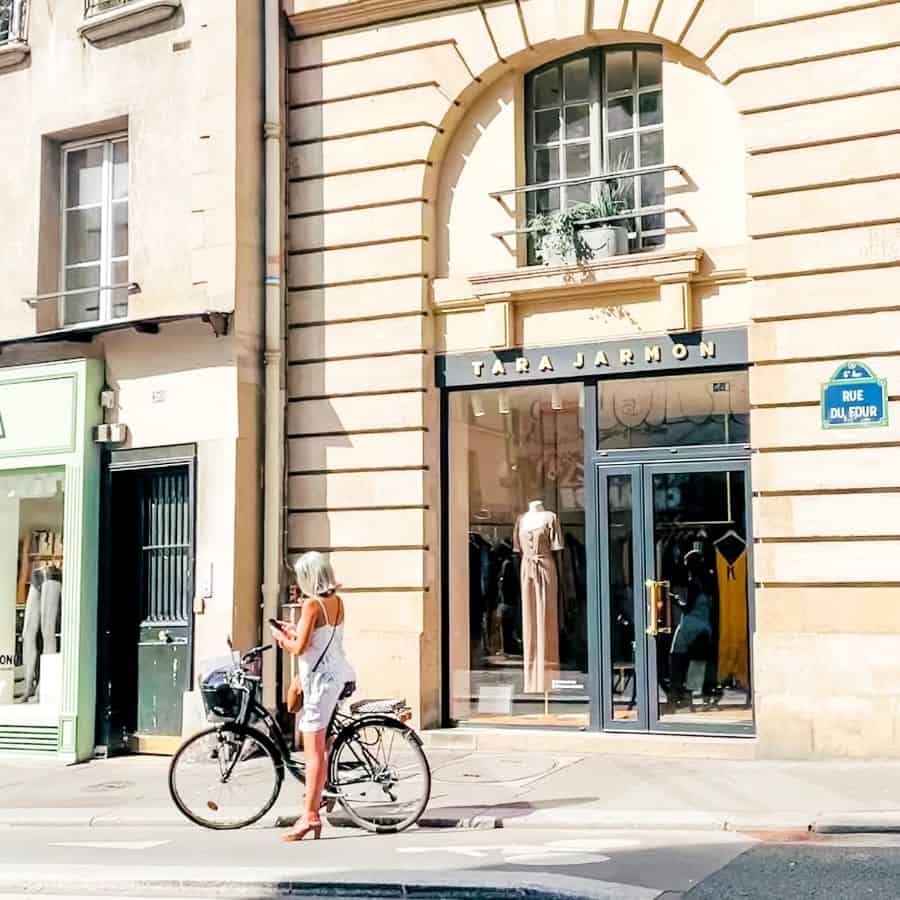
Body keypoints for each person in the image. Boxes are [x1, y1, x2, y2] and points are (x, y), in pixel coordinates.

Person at [270, 551, 356, 842]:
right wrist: (295, 632)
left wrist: (282, 638)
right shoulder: (337, 602)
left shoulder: (311, 605)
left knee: (313, 751)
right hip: (341, 674)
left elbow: (298, 648)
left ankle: (310, 816)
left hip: (321, 684)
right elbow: (318, 638)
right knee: (326, 743)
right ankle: (325, 792)